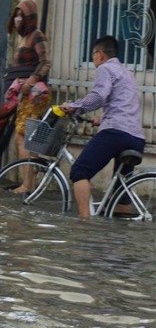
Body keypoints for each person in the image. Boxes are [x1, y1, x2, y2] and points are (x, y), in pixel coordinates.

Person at [59, 35, 145, 219]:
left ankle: (84, 222)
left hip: (116, 133)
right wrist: (103, 117)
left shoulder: (105, 69)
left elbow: (99, 97)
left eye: (93, 55)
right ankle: (122, 226)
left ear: (99, 54)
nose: (93, 60)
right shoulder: (126, 73)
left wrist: (73, 107)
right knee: (120, 191)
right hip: (136, 137)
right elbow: (123, 103)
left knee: (80, 171)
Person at [5, 0, 52, 193]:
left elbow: (45, 62)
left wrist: (30, 81)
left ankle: (27, 184)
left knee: (22, 138)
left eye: (21, 15)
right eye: (16, 15)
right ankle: (28, 181)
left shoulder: (36, 36)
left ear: (29, 18)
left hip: (33, 95)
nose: (17, 19)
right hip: (26, 95)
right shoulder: (24, 37)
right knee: (25, 138)